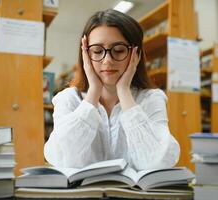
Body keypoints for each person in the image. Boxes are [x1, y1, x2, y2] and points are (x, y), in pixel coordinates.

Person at [44, 9, 180, 171]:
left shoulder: (151, 98)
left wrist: (124, 91)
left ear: (135, 55)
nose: (107, 60)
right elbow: (63, 159)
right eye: (97, 51)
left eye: (119, 50)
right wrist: (93, 92)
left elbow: (159, 162)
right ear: (85, 55)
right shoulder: (68, 99)